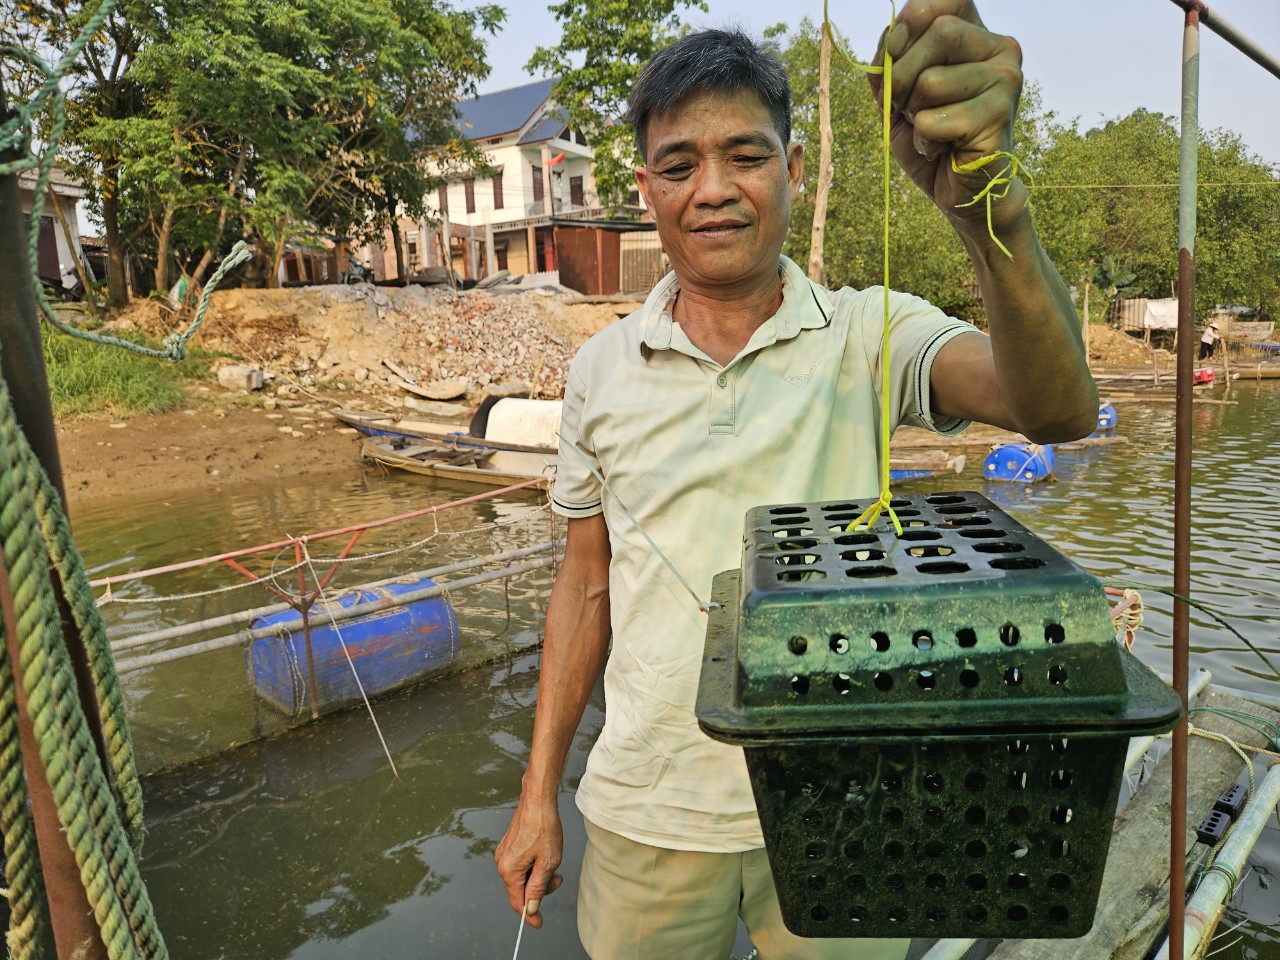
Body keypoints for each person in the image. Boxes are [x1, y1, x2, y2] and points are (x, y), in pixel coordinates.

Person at [495, 5, 1098, 958]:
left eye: (746, 154)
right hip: (646, 809)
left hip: (851, 804)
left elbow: (1056, 407)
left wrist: (991, 206)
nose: (713, 190)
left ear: (795, 167)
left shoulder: (869, 331)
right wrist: (537, 799)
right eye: (679, 164)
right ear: (646, 188)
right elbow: (582, 585)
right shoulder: (598, 371)